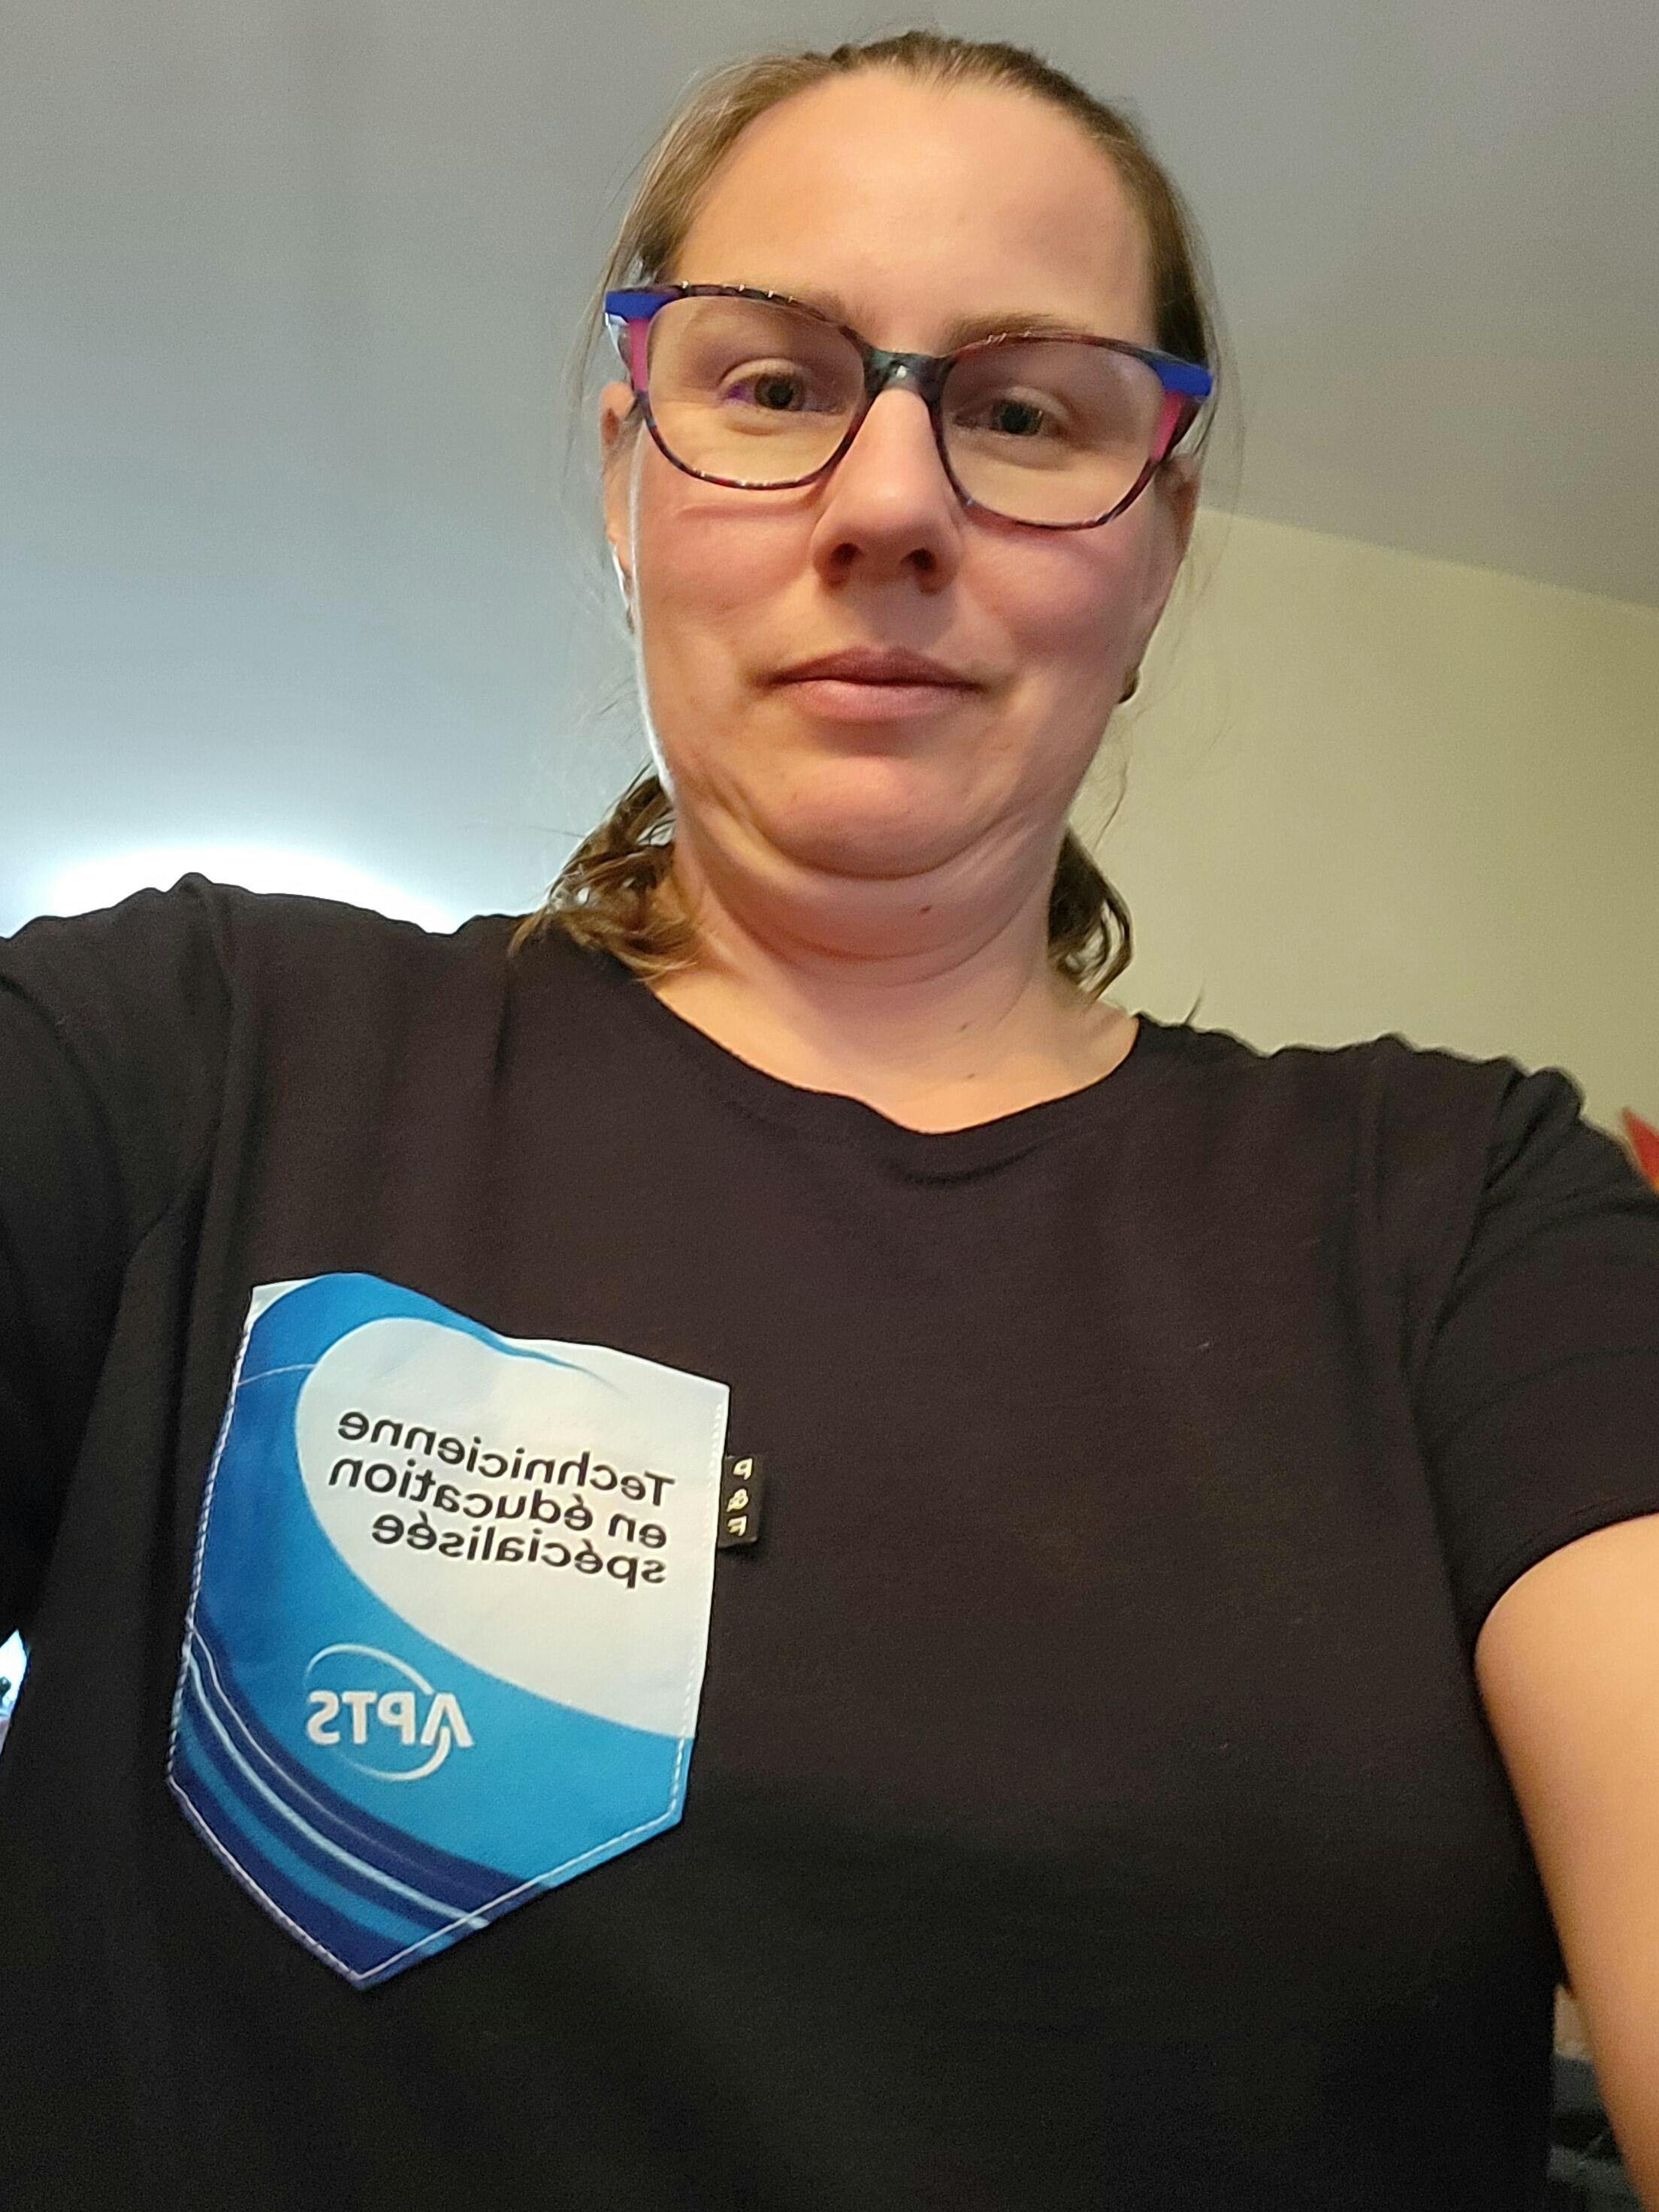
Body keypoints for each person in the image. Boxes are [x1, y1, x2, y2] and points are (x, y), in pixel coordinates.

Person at [2, 28, 1657, 2212]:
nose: (890, 506)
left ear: (1158, 545)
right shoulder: (189, 1051)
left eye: (1026, 413)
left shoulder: (1467, 1221)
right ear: (629, 477)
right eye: (775, 385)